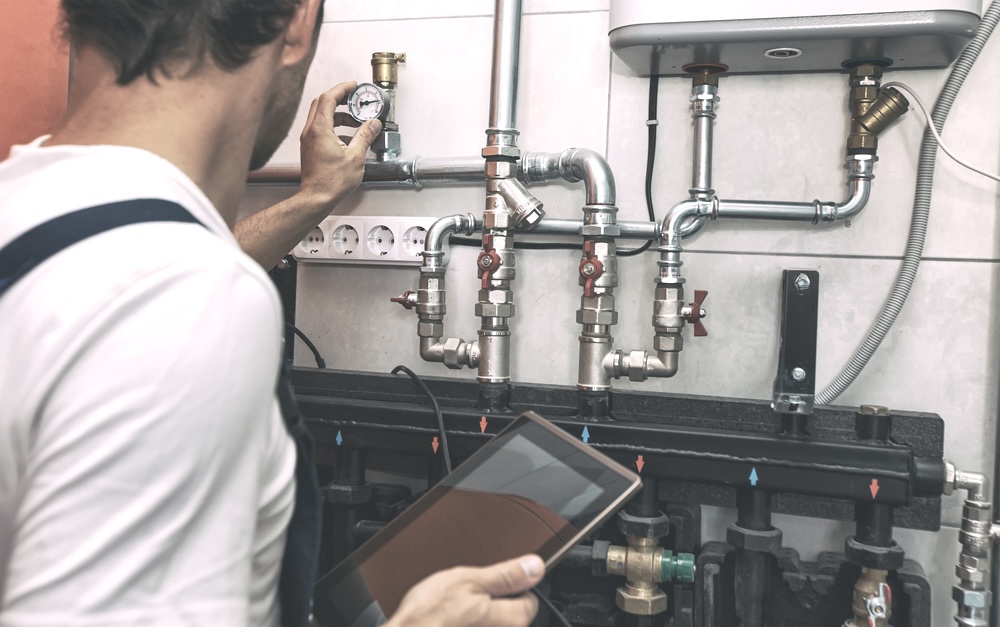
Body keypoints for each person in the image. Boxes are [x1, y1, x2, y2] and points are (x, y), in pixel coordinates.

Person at [0, 1, 545, 626]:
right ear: (298, 20)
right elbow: (157, 294)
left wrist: (314, 199)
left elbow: (121, 272)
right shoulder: (184, 302)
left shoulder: (28, 206)